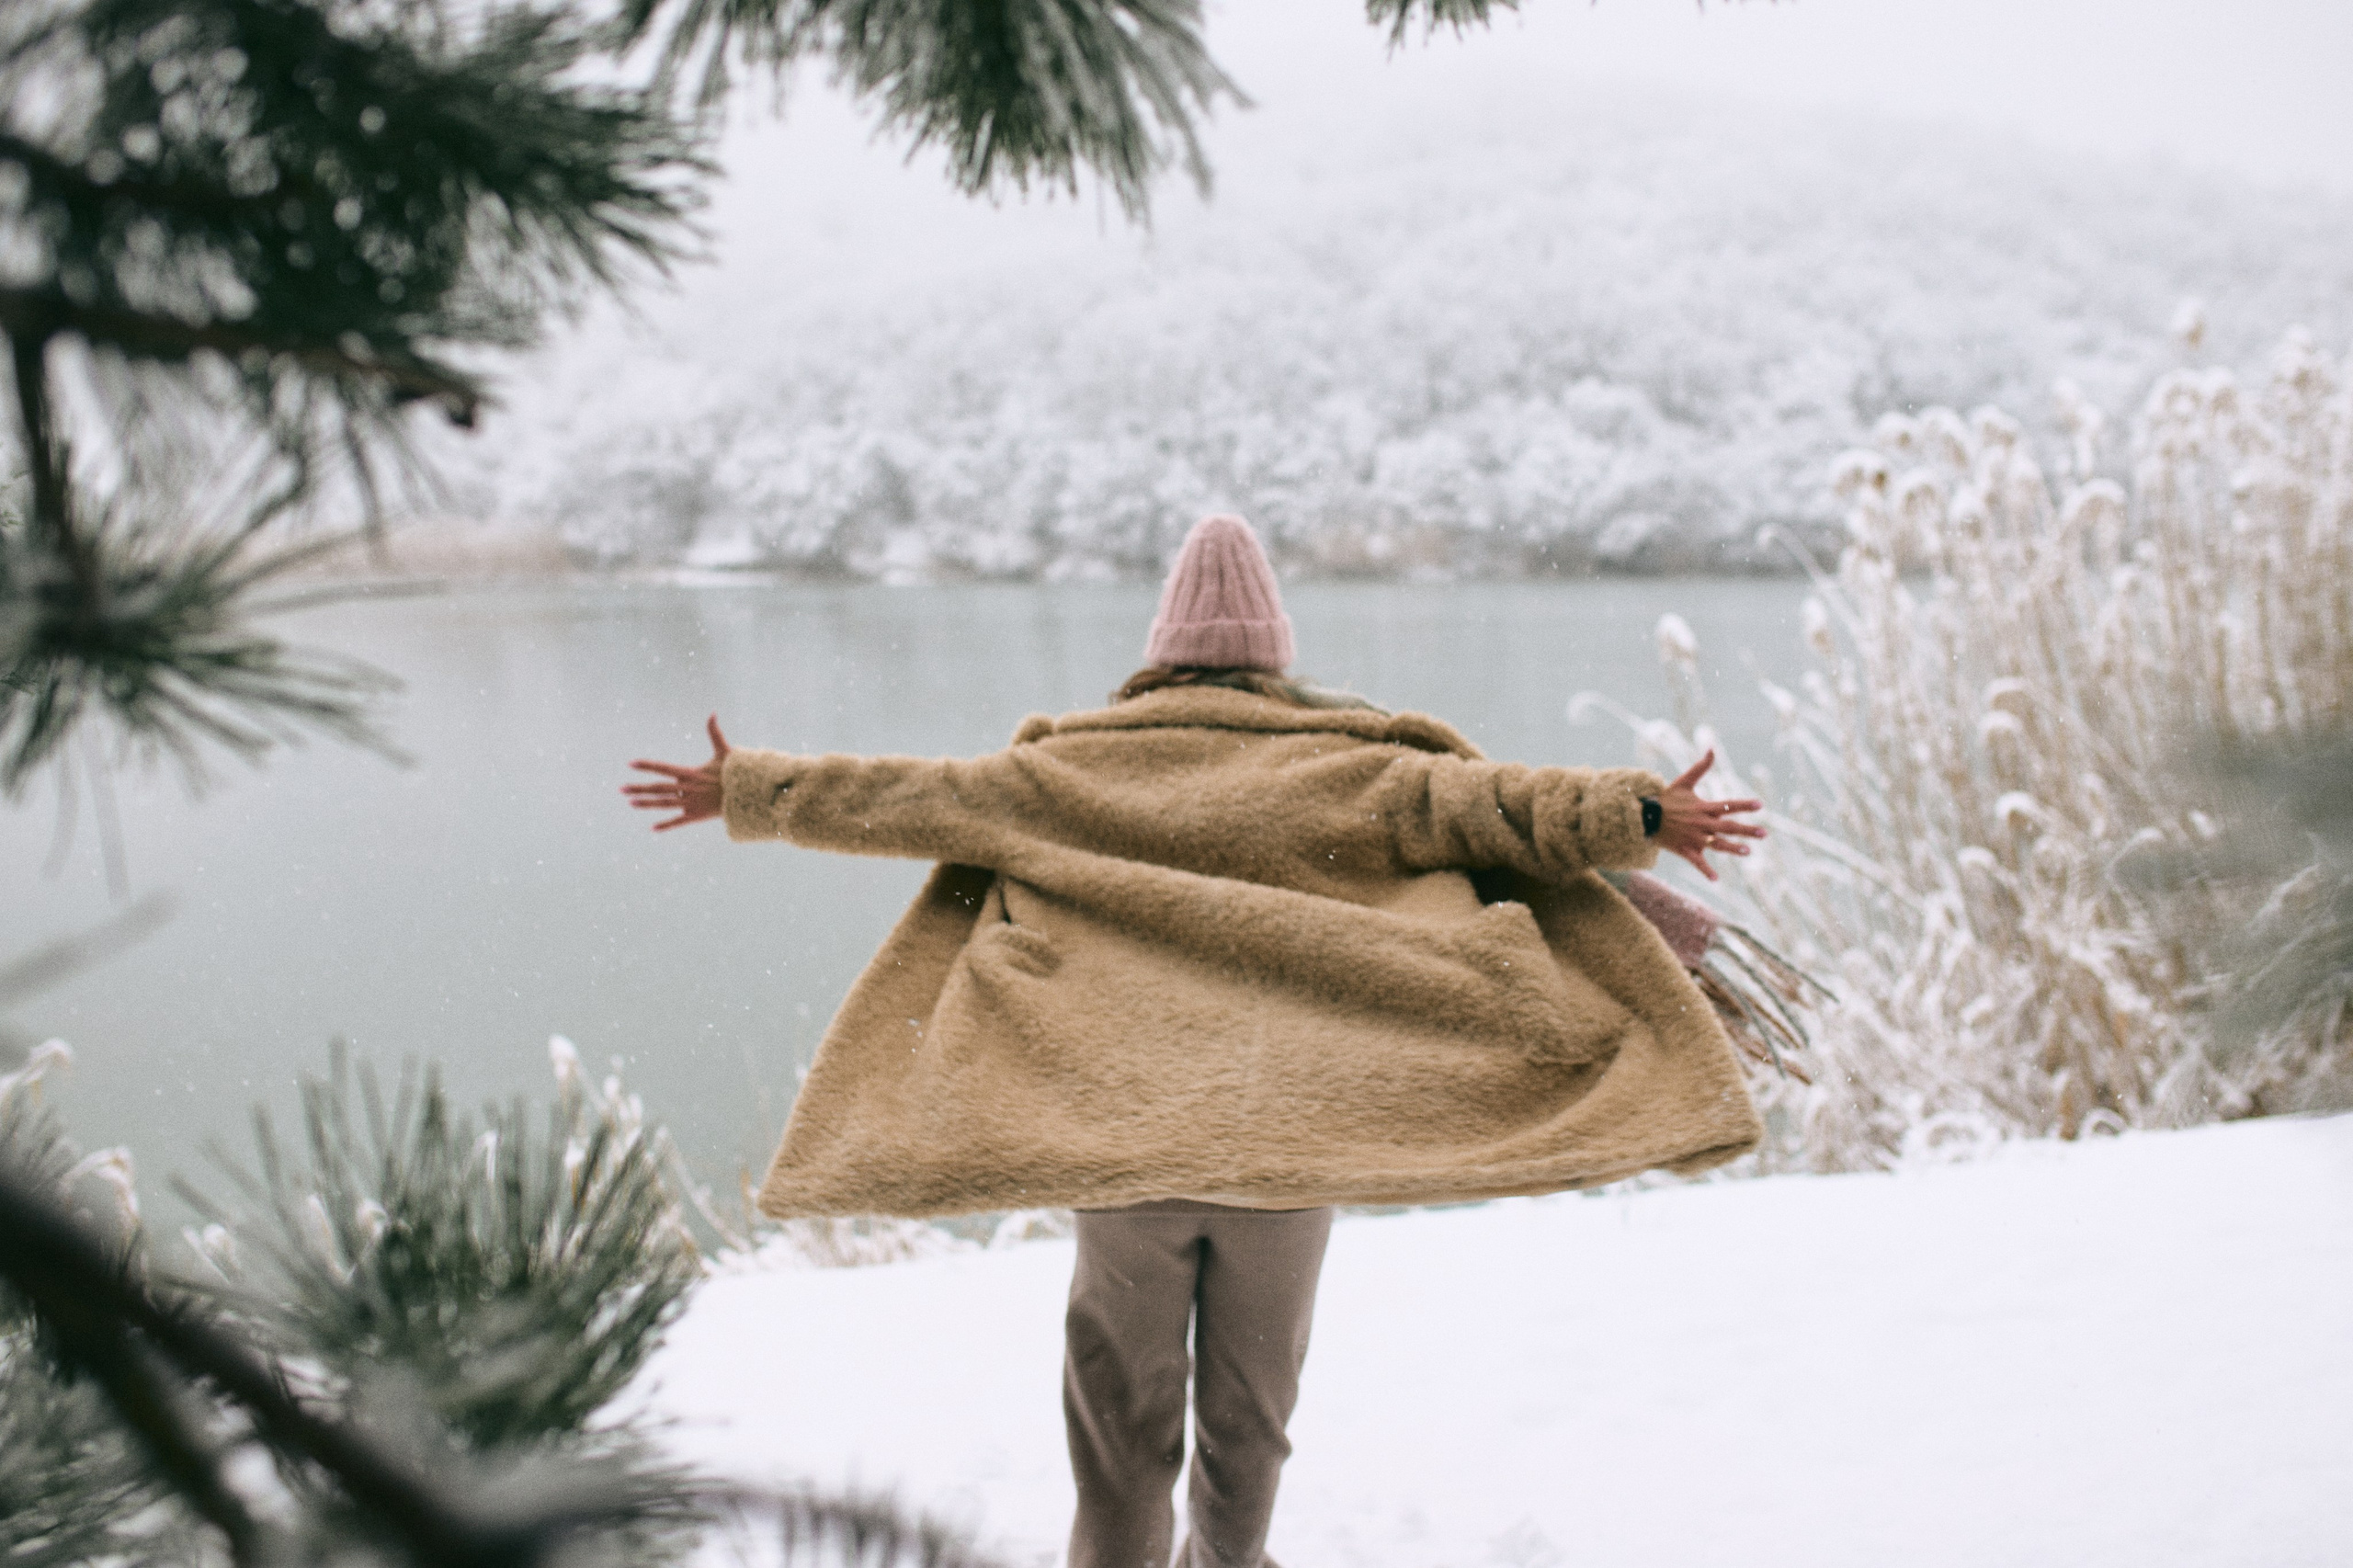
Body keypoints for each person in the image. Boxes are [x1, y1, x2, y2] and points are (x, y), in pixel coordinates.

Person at [625, 514, 1768, 1568]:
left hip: (1126, 1147)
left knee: (1119, 1417)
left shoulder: (1063, 772)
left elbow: (903, 795)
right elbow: (1507, 806)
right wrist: (1638, 812)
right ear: (1274, 657)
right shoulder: (1362, 769)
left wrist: (750, 789)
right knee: (1250, 1415)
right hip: (1290, 1147)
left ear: (1159, 654)